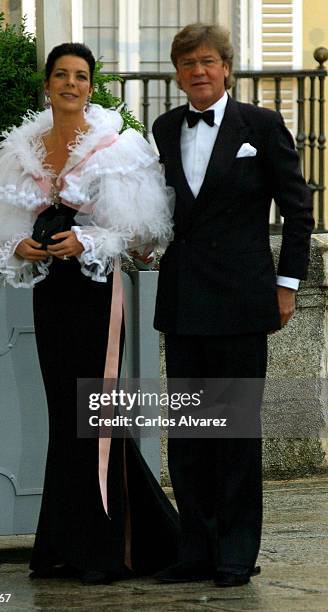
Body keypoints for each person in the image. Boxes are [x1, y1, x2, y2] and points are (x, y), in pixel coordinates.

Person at [0, 42, 179, 585]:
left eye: (80, 76)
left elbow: (141, 234)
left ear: (92, 85)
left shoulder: (116, 145)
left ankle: (108, 549)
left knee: (98, 420)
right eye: (60, 75)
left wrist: (84, 241)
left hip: (95, 294)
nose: (70, 83)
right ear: (47, 84)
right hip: (51, 293)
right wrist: (21, 246)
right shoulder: (24, 148)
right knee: (66, 418)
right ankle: (63, 547)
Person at [152, 24, 314, 587]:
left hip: (243, 299)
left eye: (207, 61)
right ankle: (195, 551)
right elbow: (163, 207)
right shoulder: (165, 127)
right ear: (178, 73)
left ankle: (235, 555)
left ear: (226, 68)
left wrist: (288, 283)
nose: (198, 71)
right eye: (187, 63)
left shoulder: (262, 126)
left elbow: (298, 210)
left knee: (236, 430)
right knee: (191, 431)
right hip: (183, 299)